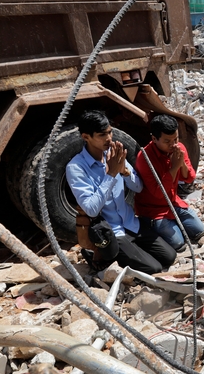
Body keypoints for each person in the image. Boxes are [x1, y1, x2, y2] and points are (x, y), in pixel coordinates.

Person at [66, 111, 176, 274]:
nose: (109, 138)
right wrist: (111, 174)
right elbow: (91, 209)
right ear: (86, 137)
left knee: (170, 256)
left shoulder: (114, 154)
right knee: (154, 268)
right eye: (102, 135)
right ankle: (106, 256)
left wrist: (124, 171)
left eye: (110, 132)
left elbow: (138, 187)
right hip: (111, 232)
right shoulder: (76, 168)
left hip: (130, 223)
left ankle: (129, 251)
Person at [134, 114, 204, 252]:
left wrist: (181, 164)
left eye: (176, 139)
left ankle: (173, 224)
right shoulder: (144, 158)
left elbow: (189, 178)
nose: (173, 145)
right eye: (167, 141)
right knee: (179, 244)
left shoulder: (179, 148)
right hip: (154, 209)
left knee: (199, 231)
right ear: (154, 139)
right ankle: (153, 226)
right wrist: (174, 167)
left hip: (173, 202)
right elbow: (159, 193)